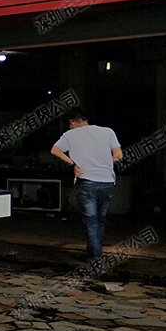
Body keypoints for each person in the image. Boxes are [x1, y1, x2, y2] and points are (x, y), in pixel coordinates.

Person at [50, 111, 123, 261]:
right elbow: (118, 155)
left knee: (91, 221)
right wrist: (104, 161)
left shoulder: (70, 135)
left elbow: (55, 150)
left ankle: (96, 257)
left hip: (86, 181)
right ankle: (93, 250)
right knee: (100, 219)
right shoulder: (108, 131)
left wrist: (72, 164)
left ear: (72, 122)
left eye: (69, 124)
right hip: (107, 182)